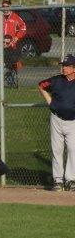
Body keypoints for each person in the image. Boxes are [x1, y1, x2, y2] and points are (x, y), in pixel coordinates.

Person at [38, 54, 75, 191]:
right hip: (57, 119)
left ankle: (71, 180)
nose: (64, 68)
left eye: (67, 66)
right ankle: (58, 180)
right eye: (63, 65)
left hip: (73, 122)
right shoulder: (56, 80)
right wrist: (50, 101)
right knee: (57, 150)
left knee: (73, 150)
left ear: (74, 68)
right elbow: (41, 85)